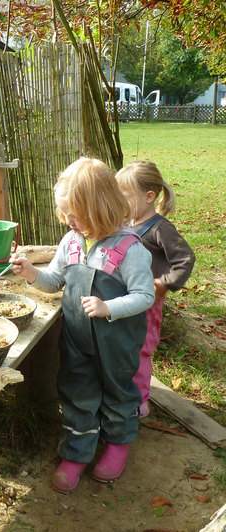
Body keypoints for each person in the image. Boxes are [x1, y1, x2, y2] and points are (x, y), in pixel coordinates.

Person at [10, 157, 155, 494]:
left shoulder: (129, 250)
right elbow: (55, 280)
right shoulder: (72, 241)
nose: (67, 221)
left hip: (116, 343)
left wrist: (109, 307)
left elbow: (144, 295)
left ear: (101, 207)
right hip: (76, 341)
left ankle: (117, 445)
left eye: (74, 214)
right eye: (64, 214)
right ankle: (77, 453)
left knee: (118, 392)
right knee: (78, 394)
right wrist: (32, 273)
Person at [116, 161, 195, 418]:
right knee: (125, 347)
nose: (120, 201)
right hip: (127, 300)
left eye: (124, 196)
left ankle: (139, 403)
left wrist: (162, 283)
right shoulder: (129, 223)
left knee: (141, 351)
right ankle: (122, 391)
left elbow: (185, 259)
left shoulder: (161, 229)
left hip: (148, 304)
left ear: (149, 197)